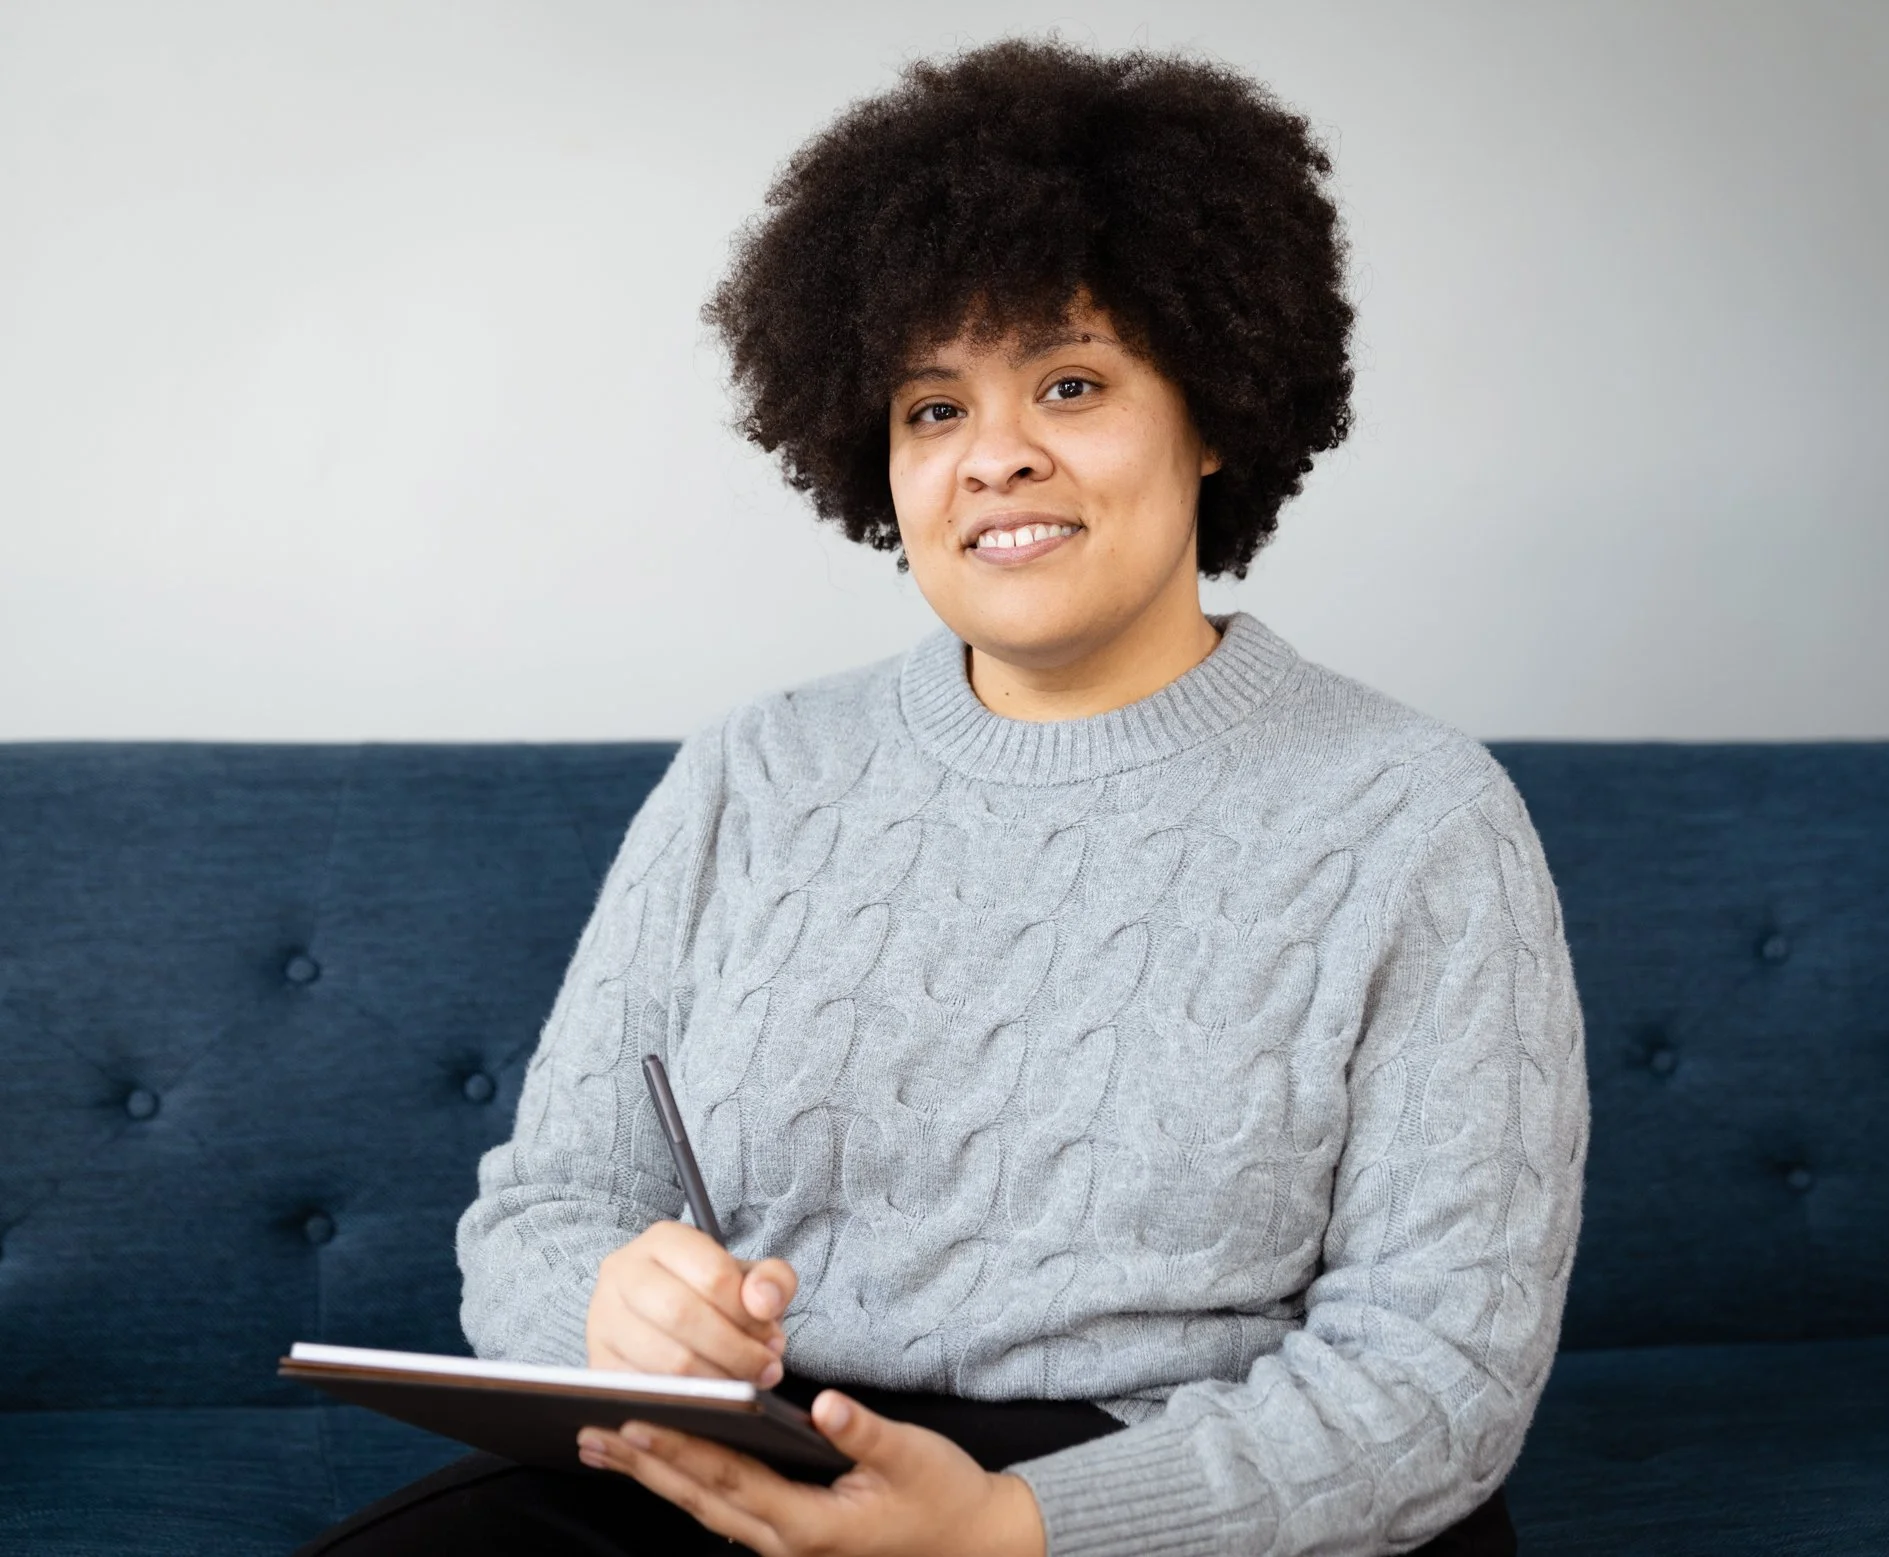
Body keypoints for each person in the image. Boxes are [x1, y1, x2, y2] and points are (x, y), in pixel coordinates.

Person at [297, 36, 1587, 1557]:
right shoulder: (756, 770)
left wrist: (1013, 1529)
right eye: (932, 409)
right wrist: (610, 1305)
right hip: (768, 1459)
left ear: (1219, 409)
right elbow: (544, 1208)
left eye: (1072, 382)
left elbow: (1437, 1378)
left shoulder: (1418, 818)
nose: (997, 461)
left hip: (1166, 1500)